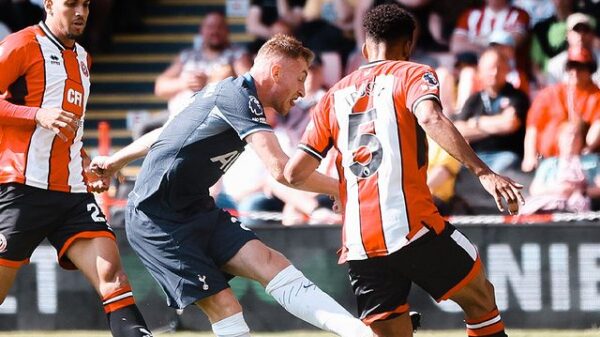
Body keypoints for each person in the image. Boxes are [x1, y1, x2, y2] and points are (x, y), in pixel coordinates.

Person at [90, 34, 374, 337]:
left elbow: (166, 132)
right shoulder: (239, 97)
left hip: (197, 210)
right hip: (157, 220)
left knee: (271, 262)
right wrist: (345, 188)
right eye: (300, 78)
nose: (303, 91)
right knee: (226, 307)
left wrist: (116, 160)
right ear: (276, 71)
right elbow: (281, 171)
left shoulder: (229, 95)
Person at [285, 4, 523, 337]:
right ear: (408, 45)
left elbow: (294, 173)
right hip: (411, 225)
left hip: (359, 241)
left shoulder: (334, 95)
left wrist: (340, 189)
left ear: (366, 46)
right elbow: (430, 117)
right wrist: (483, 172)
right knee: (480, 300)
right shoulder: (412, 73)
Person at [0, 1, 152, 337]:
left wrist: (84, 163)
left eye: (85, 4)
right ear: (50, 4)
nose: (80, 11)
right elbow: (43, 116)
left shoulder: (83, 58)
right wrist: (35, 114)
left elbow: (70, 127)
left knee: (114, 280)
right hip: (21, 188)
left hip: (71, 194)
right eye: (71, 4)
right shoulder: (21, 44)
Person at [155, 11, 252, 117]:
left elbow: (249, 84)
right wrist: (185, 83)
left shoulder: (237, 54)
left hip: (216, 119)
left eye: (220, 27)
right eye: (210, 27)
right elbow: (160, 87)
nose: (215, 31)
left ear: (227, 30)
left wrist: (211, 81)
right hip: (178, 117)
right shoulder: (187, 56)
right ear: (202, 30)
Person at [522, 45, 600, 172]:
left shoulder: (596, 96)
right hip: (547, 161)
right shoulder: (550, 93)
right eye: (571, 66)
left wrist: (587, 150)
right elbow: (533, 127)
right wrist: (529, 156)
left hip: (581, 161)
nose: (574, 71)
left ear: (590, 70)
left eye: (580, 67)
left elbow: (597, 126)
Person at [453, 48, 530, 173]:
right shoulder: (474, 99)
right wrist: (496, 127)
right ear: (480, 71)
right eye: (490, 68)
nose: (494, 73)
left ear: (507, 70)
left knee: (497, 172)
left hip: (506, 154)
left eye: (499, 68)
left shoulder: (517, 96)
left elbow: (510, 124)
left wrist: (476, 122)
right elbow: (459, 130)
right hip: (477, 156)